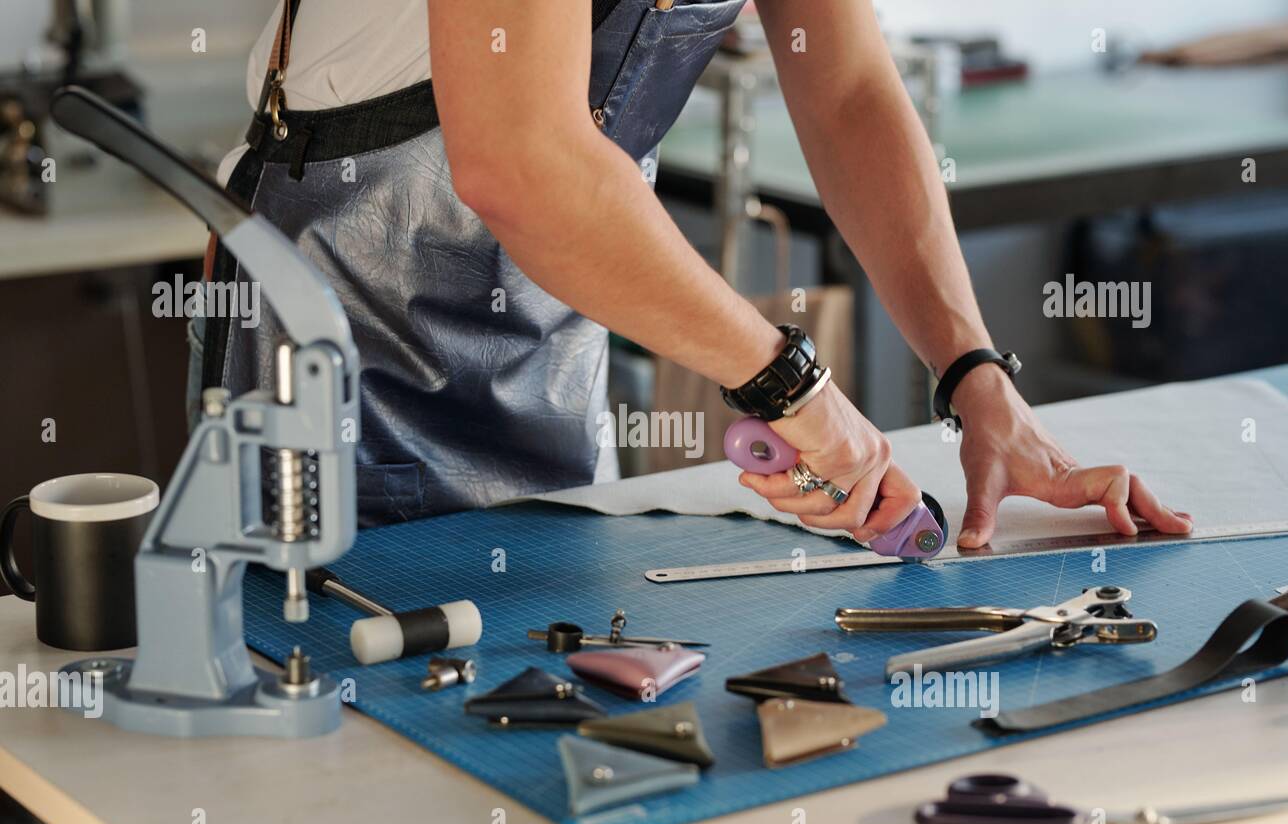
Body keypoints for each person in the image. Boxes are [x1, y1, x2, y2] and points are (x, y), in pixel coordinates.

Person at [194, 0, 1192, 543]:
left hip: (546, 341)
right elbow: (520, 162)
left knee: (542, 691)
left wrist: (975, 374)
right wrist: (789, 386)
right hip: (345, 326)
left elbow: (844, 90)